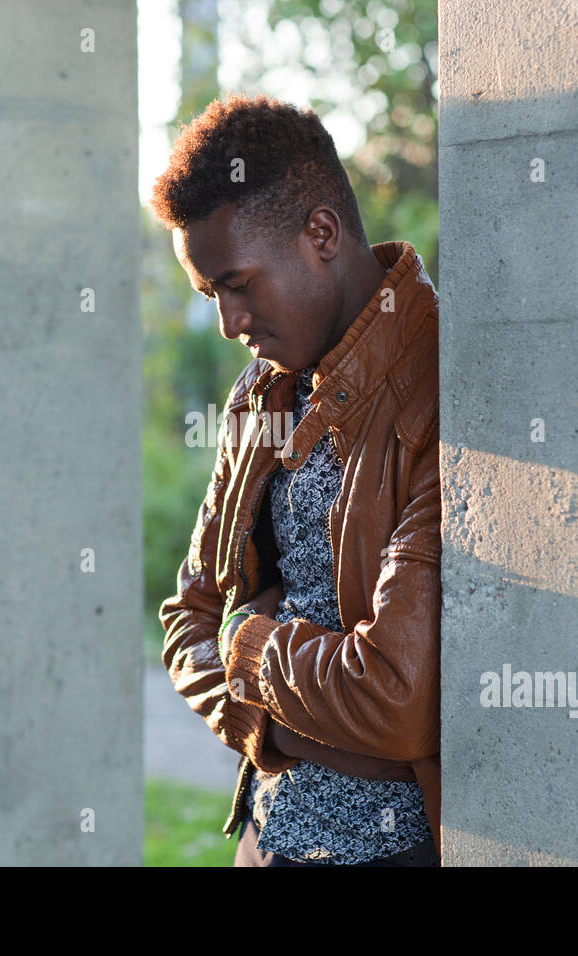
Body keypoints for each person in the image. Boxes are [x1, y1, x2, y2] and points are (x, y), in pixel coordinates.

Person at [151, 93, 442, 867]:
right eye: (212, 294)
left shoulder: (442, 384)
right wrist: (273, 728)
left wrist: (246, 647)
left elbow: (399, 700)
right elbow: (188, 618)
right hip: (263, 834)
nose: (229, 322)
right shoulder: (262, 397)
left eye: (239, 283)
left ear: (321, 233)